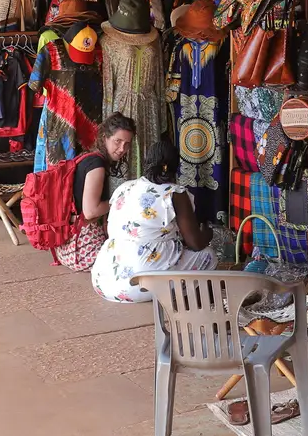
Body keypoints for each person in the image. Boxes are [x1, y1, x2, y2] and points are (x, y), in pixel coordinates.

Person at [91, 138, 216, 303]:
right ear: (174, 166)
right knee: (208, 256)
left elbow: (112, 227)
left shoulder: (124, 187)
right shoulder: (174, 193)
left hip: (103, 280)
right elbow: (195, 244)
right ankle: (187, 305)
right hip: (136, 288)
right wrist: (207, 234)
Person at [52, 112, 134, 271]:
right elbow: (90, 211)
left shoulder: (88, 157)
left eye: (127, 144)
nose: (122, 149)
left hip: (66, 247)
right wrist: (120, 201)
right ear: (105, 138)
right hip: (83, 248)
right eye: (118, 141)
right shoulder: (97, 165)